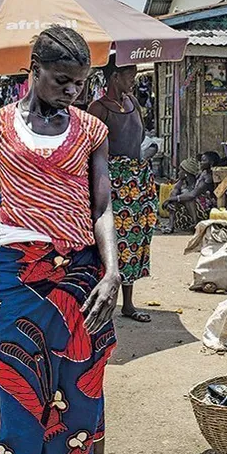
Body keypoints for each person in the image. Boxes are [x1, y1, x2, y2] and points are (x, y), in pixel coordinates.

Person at [0, 26, 119, 454]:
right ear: (33, 71)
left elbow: (103, 205)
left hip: (81, 279)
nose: (72, 91)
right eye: (61, 80)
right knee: (19, 398)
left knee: (77, 403)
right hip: (17, 277)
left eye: (80, 82)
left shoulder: (93, 130)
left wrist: (111, 272)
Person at [88, 55, 158, 324]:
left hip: (137, 179)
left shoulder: (133, 104)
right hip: (112, 181)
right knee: (111, 238)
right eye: (130, 74)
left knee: (135, 238)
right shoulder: (99, 109)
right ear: (115, 76)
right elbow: (92, 150)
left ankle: (128, 304)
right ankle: (101, 297)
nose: (134, 78)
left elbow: (138, 139)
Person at [162, 152, 219, 233]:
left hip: (207, 209)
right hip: (196, 207)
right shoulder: (201, 174)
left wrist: (169, 199)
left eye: (203, 161)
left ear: (211, 163)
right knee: (175, 195)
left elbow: (192, 195)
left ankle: (195, 223)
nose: (201, 163)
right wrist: (171, 199)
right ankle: (170, 226)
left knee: (187, 196)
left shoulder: (208, 177)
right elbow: (175, 190)